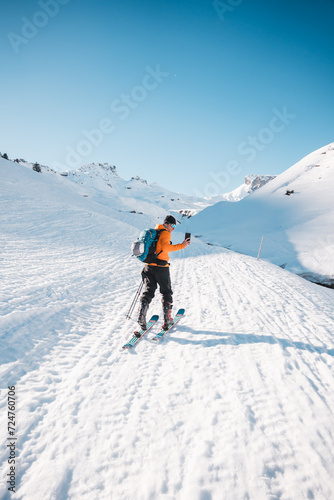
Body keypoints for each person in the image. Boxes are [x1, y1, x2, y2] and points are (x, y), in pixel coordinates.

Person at [138, 215, 190, 330]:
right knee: (166, 292)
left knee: (148, 291)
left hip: (148, 266)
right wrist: (183, 245)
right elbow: (166, 248)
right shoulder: (165, 233)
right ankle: (167, 320)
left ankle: (141, 314)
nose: (173, 228)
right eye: (173, 225)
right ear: (167, 223)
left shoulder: (155, 232)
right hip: (161, 268)